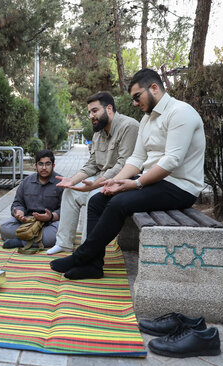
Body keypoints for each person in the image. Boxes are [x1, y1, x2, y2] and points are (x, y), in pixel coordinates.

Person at [51, 68, 205, 280]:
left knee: (119, 204)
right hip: (155, 183)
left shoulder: (181, 112)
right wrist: (114, 182)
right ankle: (93, 266)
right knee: (98, 199)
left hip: (180, 186)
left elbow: (172, 161)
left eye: (136, 97)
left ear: (154, 88)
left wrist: (135, 184)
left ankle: (81, 257)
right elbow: (136, 159)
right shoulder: (146, 120)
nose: (134, 103)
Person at [47, 91, 139, 255]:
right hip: (102, 179)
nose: (90, 115)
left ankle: (86, 250)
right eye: (89, 112)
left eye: (94, 110)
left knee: (93, 197)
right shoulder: (98, 132)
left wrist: (95, 184)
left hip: (123, 182)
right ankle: (64, 243)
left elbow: (123, 165)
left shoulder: (129, 126)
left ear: (109, 108)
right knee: (70, 192)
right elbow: (92, 164)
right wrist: (73, 180)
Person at [0, 149, 64, 249]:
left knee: (59, 233)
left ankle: (20, 242)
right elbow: (18, 203)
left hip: (50, 223)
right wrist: (19, 213)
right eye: (40, 164)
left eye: (47, 164)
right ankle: (33, 240)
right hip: (28, 221)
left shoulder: (61, 182)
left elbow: (65, 210)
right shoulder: (26, 182)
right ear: (36, 166)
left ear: (53, 165)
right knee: (5, 227)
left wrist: (50, 216)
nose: (44, 168)